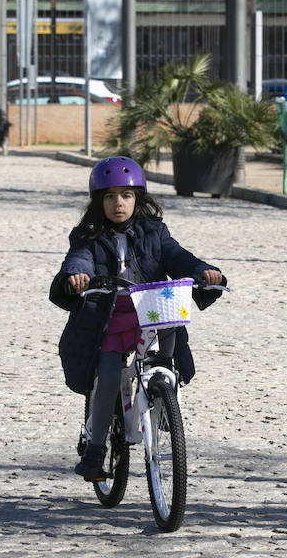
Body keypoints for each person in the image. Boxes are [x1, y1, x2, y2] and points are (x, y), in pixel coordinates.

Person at [48, 156, 227, 481]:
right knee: (108, 377)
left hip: (154, 311)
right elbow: (78, 260)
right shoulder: (87, 236)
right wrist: (76, 277)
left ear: (138, 198)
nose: (119, 203)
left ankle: (162, 404)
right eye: (110, 196)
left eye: (126, 195)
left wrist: (202, 271)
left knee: (167, 364)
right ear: (98, 201)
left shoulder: (154, 232)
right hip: (110, 316)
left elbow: (178, 256)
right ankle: (96, 448)